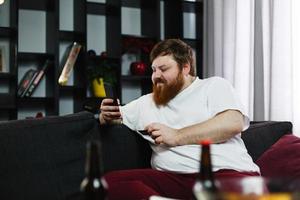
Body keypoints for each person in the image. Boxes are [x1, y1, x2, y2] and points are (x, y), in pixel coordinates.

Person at [99, 39, 260, 200]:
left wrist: (177, 136)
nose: (156, 76)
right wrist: (105, 115)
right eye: (154, 70)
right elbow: (114, 117)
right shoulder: (146, 102)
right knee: (110, 183)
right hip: (174, 180)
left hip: (225, 175)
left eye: (164, 69)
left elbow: (233, 123)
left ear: (185, 67)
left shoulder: (213, 86)